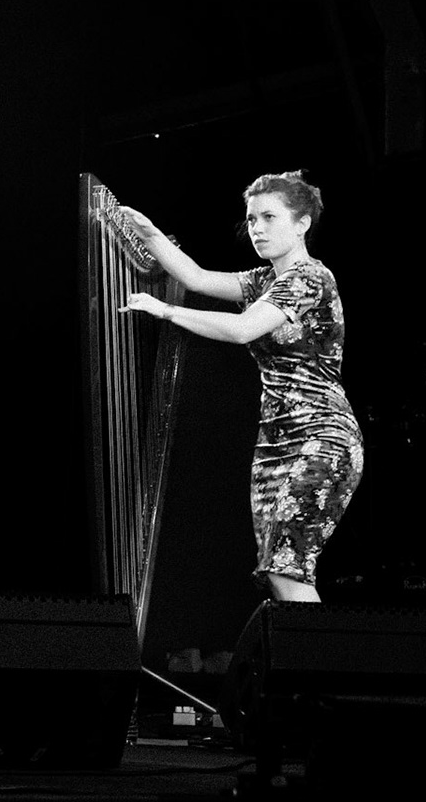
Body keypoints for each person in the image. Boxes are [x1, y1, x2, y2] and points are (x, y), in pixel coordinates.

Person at [119, 171, 363, 603]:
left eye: (269, 217)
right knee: (277, 575)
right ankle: (305, 645)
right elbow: (197, 278)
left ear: (302, 223)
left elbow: (243, 329)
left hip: (321, 435)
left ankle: (319, 648)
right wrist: (151, 235)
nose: (257, 229)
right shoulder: (264, 281)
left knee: (288, 567)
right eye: (251, 219)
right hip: (274, 445)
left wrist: (166, 311)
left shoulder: (310, 278)